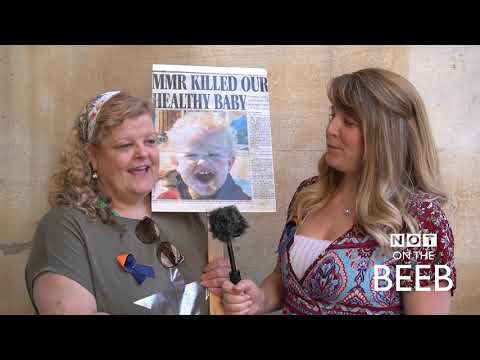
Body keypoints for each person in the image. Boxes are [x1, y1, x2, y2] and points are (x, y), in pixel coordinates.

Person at [221, 68, 457, 315]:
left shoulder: (420, 219)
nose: (331, 128)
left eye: (349, 122)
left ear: (386, 137)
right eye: (334, 115)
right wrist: (258, 300)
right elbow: (283, 280)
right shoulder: (310, 195)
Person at [25, 91, 229, 314]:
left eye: (150, 141)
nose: (143, 153)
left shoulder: (184, 212)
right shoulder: (65, 228)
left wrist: (225, 292)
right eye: (125, 145)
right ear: (92, 156)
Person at [157, 111, 251, 201]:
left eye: (213, 155)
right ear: (176, 163)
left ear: (229, 163)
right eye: (192, 155)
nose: (203, 162)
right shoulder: (166, 200)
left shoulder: (243, 202)